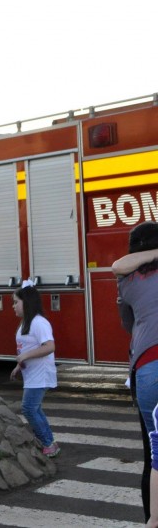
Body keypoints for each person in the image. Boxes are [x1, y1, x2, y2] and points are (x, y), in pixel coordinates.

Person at [112, 221, 158, 522]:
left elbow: (127, 324)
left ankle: (152, 519)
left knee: (154, 457)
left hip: (148, 368)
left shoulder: (128, 282)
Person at [9, 281, 60, 457]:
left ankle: (47, 443)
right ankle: (49, 442)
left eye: (16, 302)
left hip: (41, 374)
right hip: (32, 374)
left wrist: (25, 356)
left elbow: (50, 346)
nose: (13, 306)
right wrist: (19, 365)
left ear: (27, 303)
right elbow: (26, 348)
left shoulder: (39, 323)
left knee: (28, 408)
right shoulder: (26, 323)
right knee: (34, 408)